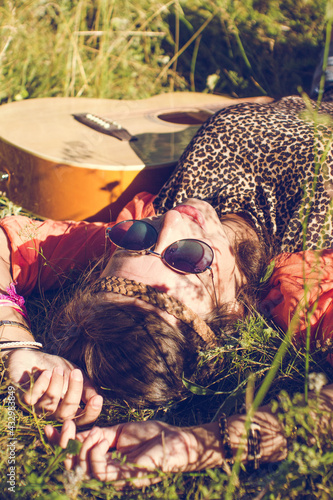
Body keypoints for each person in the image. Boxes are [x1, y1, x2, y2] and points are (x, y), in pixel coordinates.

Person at [2, 87, 333, 473]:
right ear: (233, 310)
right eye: (187, 258)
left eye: (138, 239)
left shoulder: (142, 221)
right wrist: (202, 443)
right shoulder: (304, 288)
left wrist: (14, 342)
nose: (172, 219)